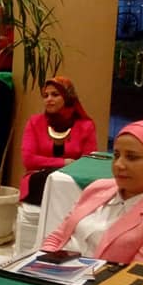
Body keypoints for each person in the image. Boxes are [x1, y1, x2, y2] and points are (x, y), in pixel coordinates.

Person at [42, 120, 143, 269]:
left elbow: (137, 279)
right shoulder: (97, 188)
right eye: (116, 155)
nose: (119, 164)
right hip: (51, 274)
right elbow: (58, 237)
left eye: (132, 157)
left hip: (99, 283)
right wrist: (40, 265)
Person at [20, 76, 97, 204]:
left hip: (72, 183)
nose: (49, 99)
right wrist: (64, 162)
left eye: (55, 95)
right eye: (45, 96)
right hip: (38, 182)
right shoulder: (35, 122)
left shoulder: (86, 126)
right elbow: (28, 160)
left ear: (67, 97)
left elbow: (88, 164)